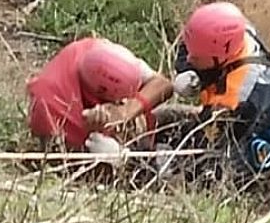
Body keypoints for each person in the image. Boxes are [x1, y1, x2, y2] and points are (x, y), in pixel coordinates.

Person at [169, 1, 270, 184]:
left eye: (195, 57)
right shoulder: (231, 32)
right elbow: (186, 50)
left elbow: (212, 139)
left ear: (220, 55)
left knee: (208, 172)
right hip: (255, 104)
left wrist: (177, 167)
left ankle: (263, 177)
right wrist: (189, 70)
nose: (189, 57)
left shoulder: (241, 96)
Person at [26, 36, 174, 154]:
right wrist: (123, 159)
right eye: (119, 102)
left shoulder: (102, 52)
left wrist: (127, 111)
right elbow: (81, 169)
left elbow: (163, 84)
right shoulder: (54, 107)